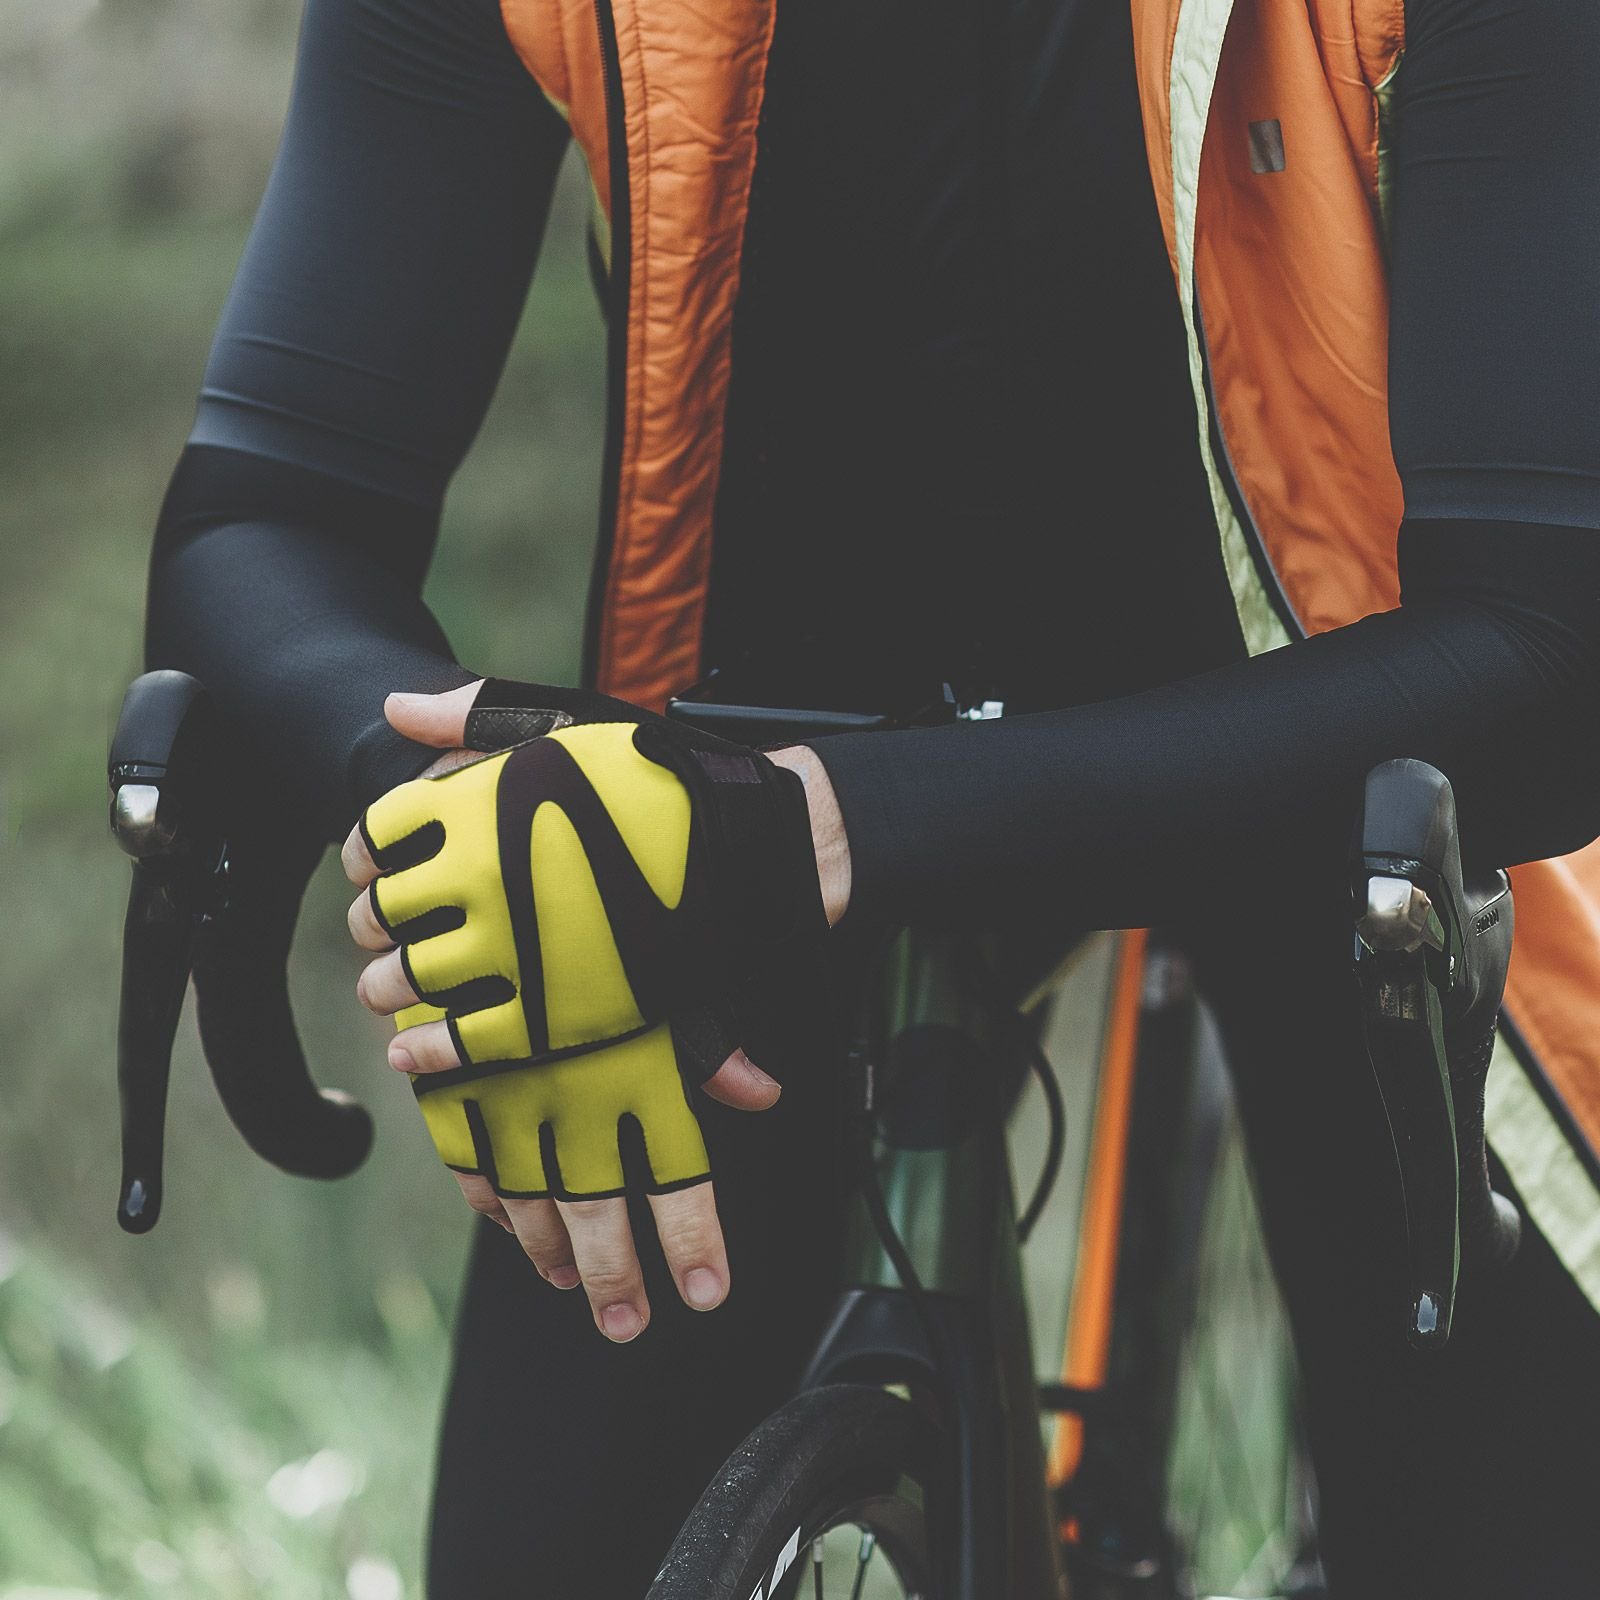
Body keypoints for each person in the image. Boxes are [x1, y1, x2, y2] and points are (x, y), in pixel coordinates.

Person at [143, 0, 1600, 1590]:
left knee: (1491, 1490)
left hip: (1339, 740)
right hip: (744, 761)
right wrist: (465, 796)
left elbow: (1547, 653)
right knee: (556, 1543)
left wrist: (830, 825)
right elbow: (269, 508)